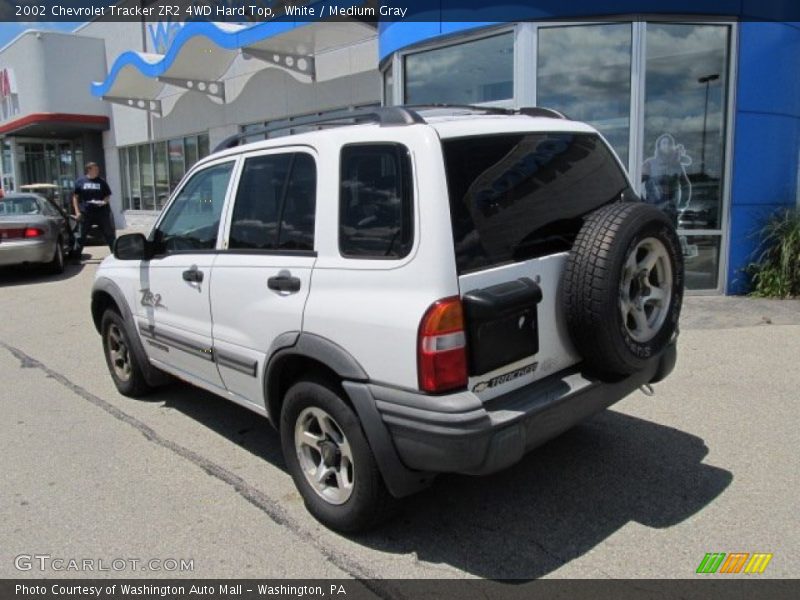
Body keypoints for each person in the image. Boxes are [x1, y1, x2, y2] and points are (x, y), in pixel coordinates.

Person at [72, 162, 116, 255]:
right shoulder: (80, 181)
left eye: (97, 169)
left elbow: (107, 195)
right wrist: (77, 212)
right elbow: (75, 197)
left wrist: (103, 202)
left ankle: (116, 253)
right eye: (95, 169)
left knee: (109, 233)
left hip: (101, 212)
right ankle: (76, 257)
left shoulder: (102, 181)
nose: (97, 171)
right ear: (89, 170)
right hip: (86, 212)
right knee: (81, 234)